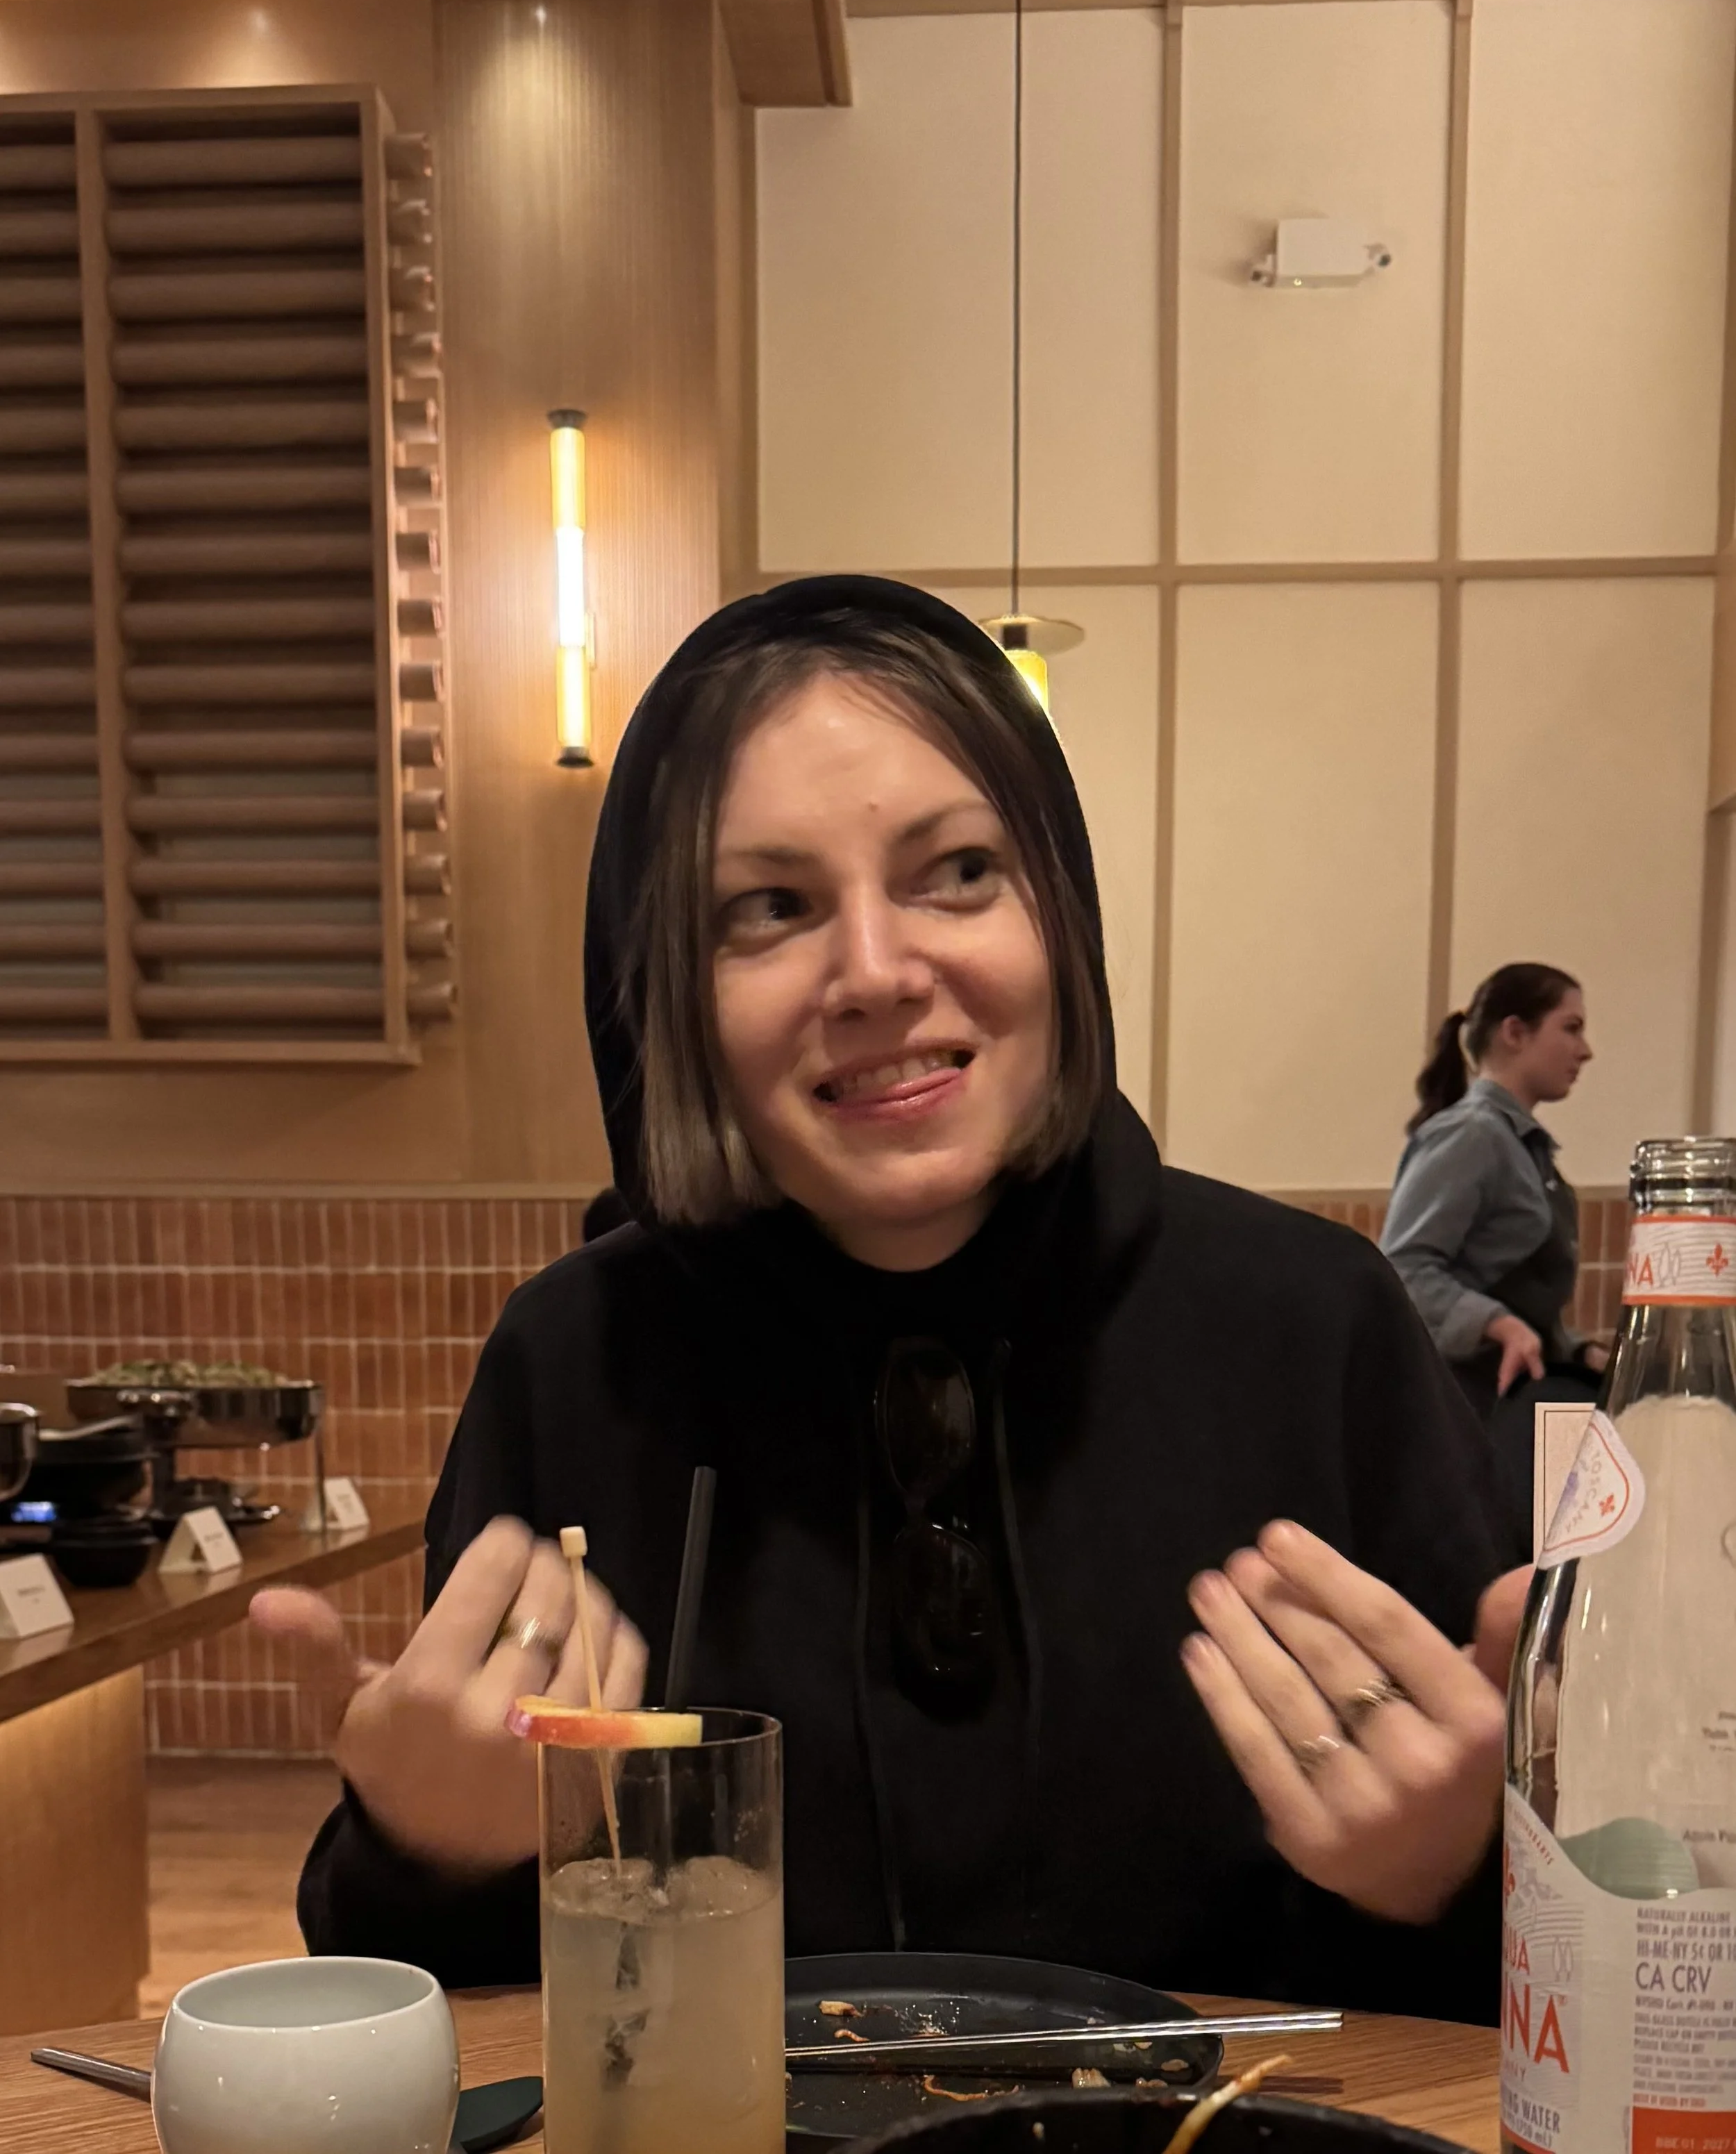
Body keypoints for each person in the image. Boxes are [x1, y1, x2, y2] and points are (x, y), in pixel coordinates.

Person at [253, 576, 1524, 2025]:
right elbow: (481, 2033)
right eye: (769, 908)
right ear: (667, 995)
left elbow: (1524, 1984)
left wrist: (1452, 1875)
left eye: (957, 872)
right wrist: (426, 1853)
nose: (875, 971)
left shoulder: (1316, 1327)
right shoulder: (574, 1363)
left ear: (1058, 912)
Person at [1380, 965, 1607, 1562]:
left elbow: (1518, 1294)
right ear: (1515, 1031)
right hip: (1470, 1412)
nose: (1585, 1049)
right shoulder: (1472, 1135)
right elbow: (1402, 1269)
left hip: (1503, 1406)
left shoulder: (1522, 1147)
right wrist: (1497, 1324)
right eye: (1571, 1027)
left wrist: (1577, 1348)